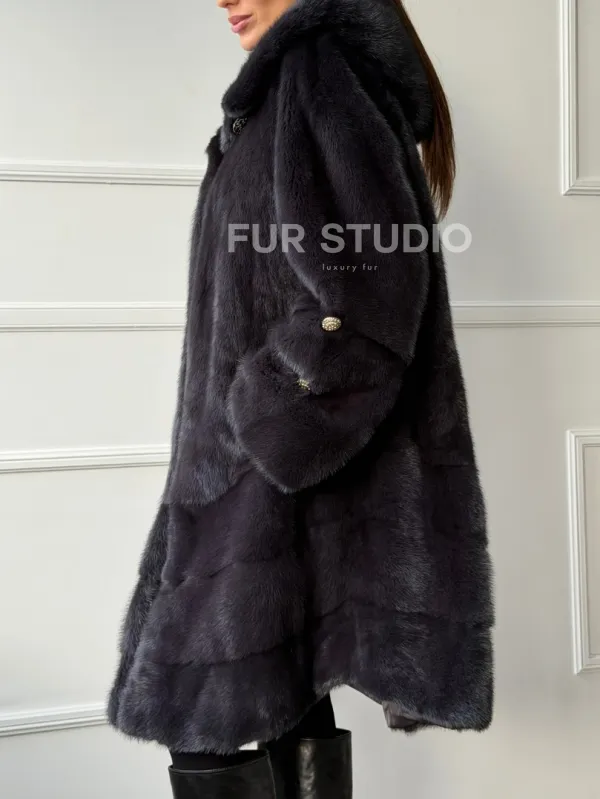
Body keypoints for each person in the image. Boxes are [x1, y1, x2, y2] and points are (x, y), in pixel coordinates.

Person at [107, 0, 495, 796]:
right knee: (284, 696)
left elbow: (370, 295)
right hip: (264, 475)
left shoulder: (320, 75)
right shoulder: (288, 89)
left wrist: (268, 422)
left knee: (202, 715)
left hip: (266, 473)